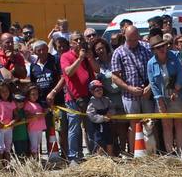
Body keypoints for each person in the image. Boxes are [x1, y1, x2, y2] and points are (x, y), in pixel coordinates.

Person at [110, 24, 155, 154]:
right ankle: (134, 152)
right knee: (134, 124)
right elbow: (115, 77)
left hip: (147, 93)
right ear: (124, 36)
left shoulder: (147, 48)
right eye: (130, 40)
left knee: (151, 123)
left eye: (135, 39)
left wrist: (150, 87)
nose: (133, 43)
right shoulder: (118, 52)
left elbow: (155, 68)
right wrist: (129, 88)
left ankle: (152, 151)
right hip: (129, 96)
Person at [55, 34, 97, 163]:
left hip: (88, 97)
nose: (79, 42)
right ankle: (73, 156)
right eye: (76, 40)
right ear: (71, 43)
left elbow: (97, 69)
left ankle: (93, 154)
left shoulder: (86, 56)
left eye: (81, 39)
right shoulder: (66, 56)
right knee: (74, 128)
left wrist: (89, 58)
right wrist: (79, 58)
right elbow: (68, 72)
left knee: (90, 127)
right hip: (73, 99)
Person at [147, 34, 182, 157]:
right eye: (158, 48)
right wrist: (159, 101)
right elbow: (153, 84)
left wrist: (176, 89)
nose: (162, 49)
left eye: (163, 46)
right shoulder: (150, 63)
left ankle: (180, 151)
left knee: (179, 123)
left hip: (178, 94)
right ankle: (170, 153)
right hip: (162, 97)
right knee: (166, 125)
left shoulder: (175, 56)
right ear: (154, 50)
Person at [84, 79, 114, 156]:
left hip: (107, 124)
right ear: (92, 92)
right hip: (98, 125)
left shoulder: (106, 100)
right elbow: (91, 115)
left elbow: (112, 108)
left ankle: (110, 156)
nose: (99, 91)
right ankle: (100, 158)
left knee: (109, 139)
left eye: (101, 89)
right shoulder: (92, 102)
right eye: (97, 90)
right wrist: (102, 118)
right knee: (100, 141)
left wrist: (110, 112)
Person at [21, 84, 48, 159]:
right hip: (32, 128)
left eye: (36, 94)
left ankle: (37, 160)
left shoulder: (38, 104)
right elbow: (26, 115)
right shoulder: (27, 104)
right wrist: (34, 115)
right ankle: (35, 161)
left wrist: (45, 112)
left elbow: (42, 114)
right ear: (28, 95)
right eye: (33, 94)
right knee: (34, 146)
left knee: (38, 145)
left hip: (39, 128)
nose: (35, 96)